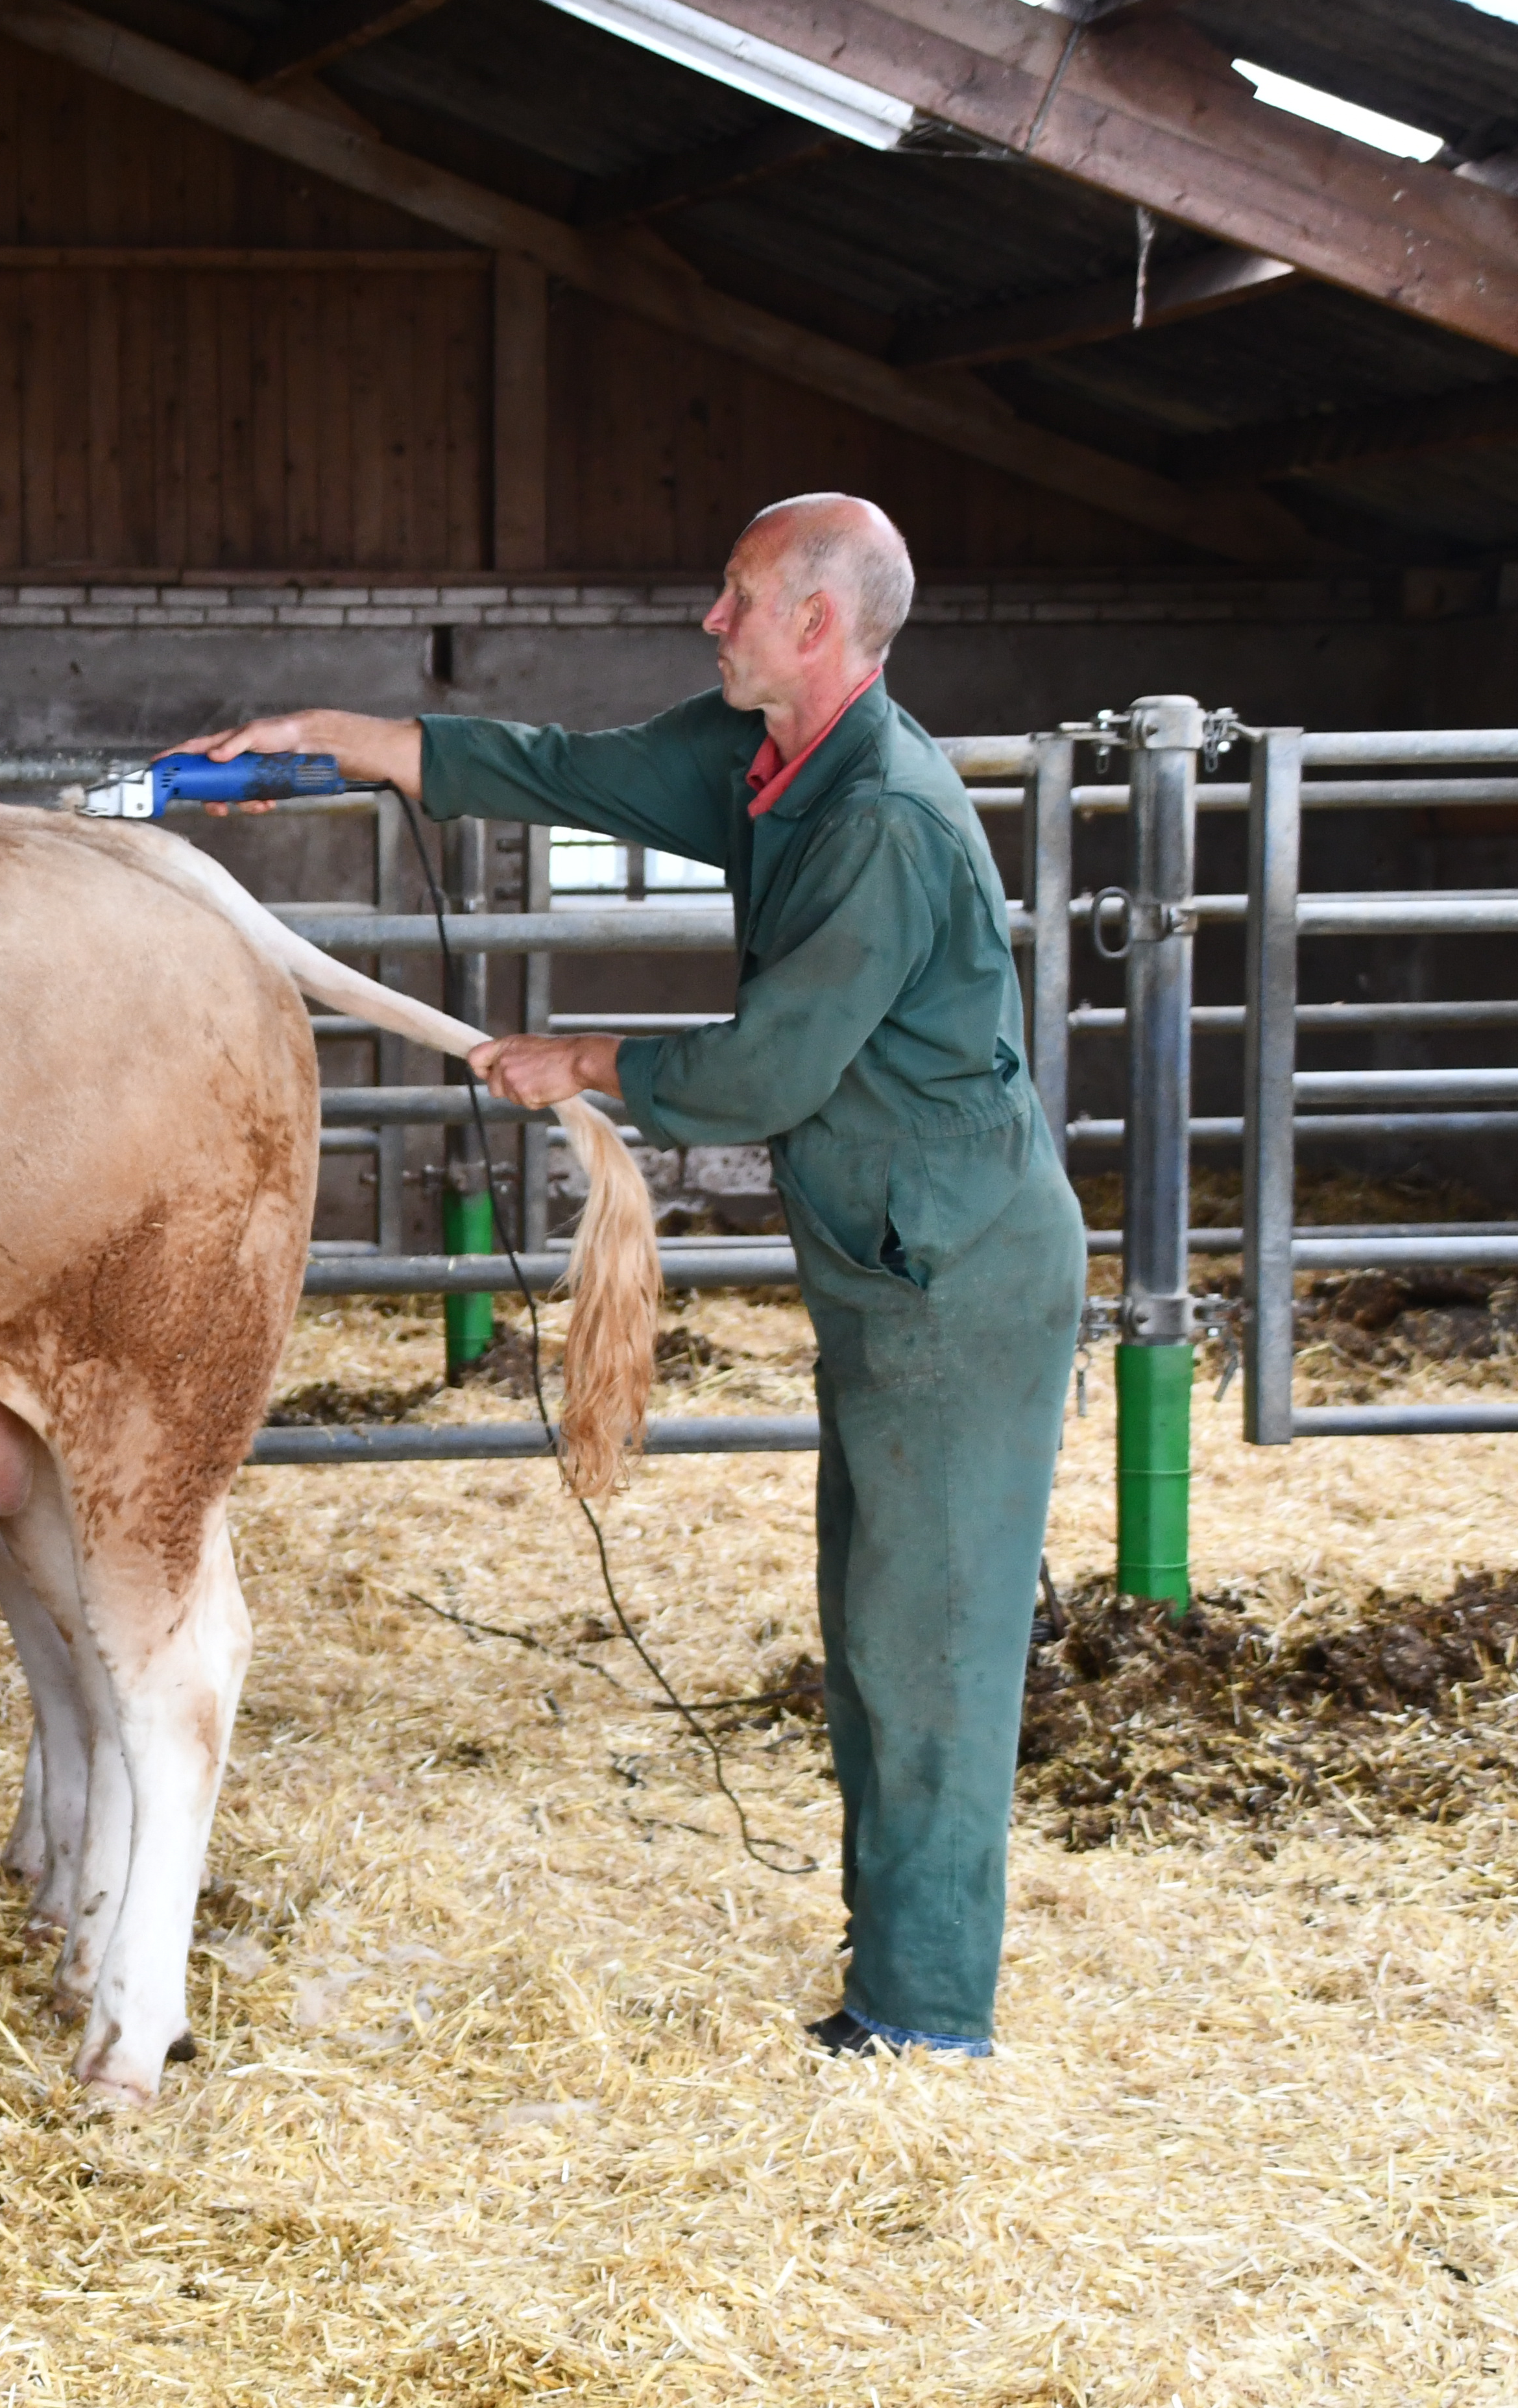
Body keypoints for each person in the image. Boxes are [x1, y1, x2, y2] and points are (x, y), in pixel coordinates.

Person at [187, 492, 1083, 2059]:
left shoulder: (879, 815)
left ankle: (931, 2016)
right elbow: (566, 768)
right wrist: (344, 740)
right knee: (876, 1620)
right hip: (891, 1258)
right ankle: (899, 1964)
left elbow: (770, 1070)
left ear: (817, 621)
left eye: (737, 595)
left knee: (926, 1642)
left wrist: (585, 1057)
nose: (711, 620)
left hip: (956, 1273)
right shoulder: (768, 757)